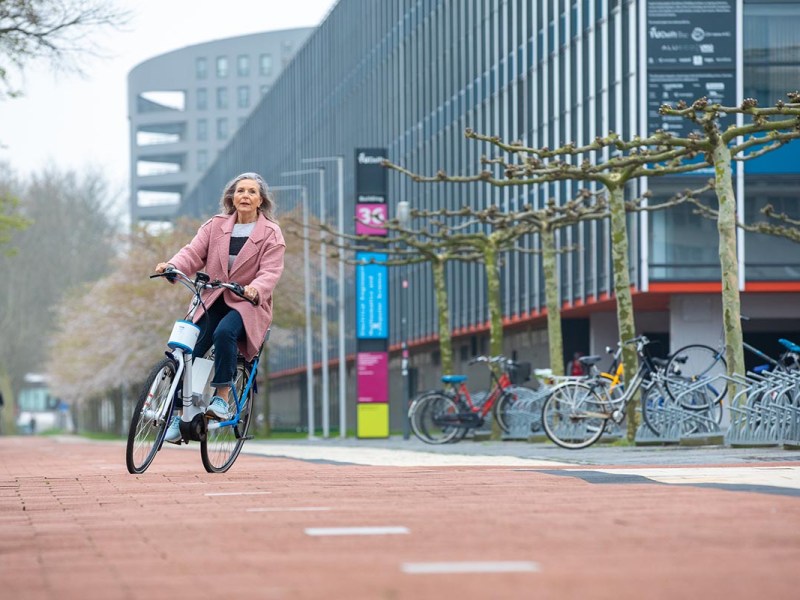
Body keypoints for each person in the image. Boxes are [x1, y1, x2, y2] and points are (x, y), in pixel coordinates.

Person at [155, 172, 285, 443]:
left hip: (247, 303)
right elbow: (193, 252)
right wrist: (173, 266)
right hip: (213, 296)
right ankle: (182, 415)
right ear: (231, 197)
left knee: (224, 333)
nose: (245, 196)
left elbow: (271, 271)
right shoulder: (215, 226)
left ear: (261, 200)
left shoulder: (271, 233)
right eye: (240, 191)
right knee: (190, 351)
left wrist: (255, 289)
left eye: (251, 192)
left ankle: (222, 398)